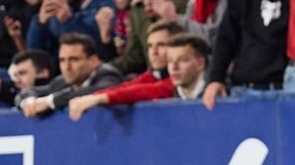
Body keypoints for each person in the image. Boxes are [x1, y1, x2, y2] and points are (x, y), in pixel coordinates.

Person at [70, 32, 211, 115]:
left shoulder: (221, 90)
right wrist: (98, 97)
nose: (173, 67)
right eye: (170, 61)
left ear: (200, 64)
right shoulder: (171, 88)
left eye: (183, 60)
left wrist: (100, 97)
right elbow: (131, 89)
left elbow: (148, 90)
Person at [18, 32, 125, 116]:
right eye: (62, 60)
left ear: (93, 61)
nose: (67, 67)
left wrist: (50, 102)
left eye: (74, 60)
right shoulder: (61, 82)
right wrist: (29, 102)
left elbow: (98, 90)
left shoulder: (108, 75)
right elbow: (27, 92)